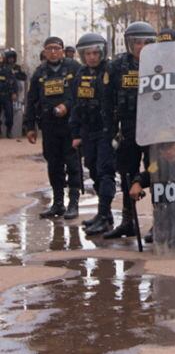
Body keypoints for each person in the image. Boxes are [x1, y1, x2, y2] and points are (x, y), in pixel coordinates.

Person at [103, 20, 157, 239]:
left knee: (155, 172)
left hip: (154, 128)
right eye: (136, 42)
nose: (141, 47)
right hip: (127, 128)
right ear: (129, 44)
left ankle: (158, 221)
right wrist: (110, 132)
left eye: (146, 42)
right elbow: (107, 101)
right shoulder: (117, 66)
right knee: (126, 173)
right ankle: (128, 221)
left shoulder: (160, 64)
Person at [25, 36, 82, 219]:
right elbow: (31, 100)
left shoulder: (74, 68)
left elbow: (81, 94)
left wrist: (67, 106)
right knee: (54, 164)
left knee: (72, 164)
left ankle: (73, 203)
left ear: (62, 51)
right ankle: (58, 203)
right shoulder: (40, 72)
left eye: (57, 48)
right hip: (49, 127)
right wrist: (30, 126)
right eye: (49, 48)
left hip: (70, 126)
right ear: (44, 51)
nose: (53, 52)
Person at [69, 32, 116, 235]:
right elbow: (76, 104)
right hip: (88, 131)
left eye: (95, 53)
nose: (92, 57)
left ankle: (104, 216)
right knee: (93, 170)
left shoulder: (111, 71)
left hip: (106, 130)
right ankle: (104, 213)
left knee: (105, 172)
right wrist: (75, 133)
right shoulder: (80, 74)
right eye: (87, 54)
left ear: (102, 53)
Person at [0, 52, 20, 138]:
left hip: (7, 95)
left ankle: (9, 131)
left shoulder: (9, 69)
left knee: (9, 115)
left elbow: (14, 82)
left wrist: (14, 92)